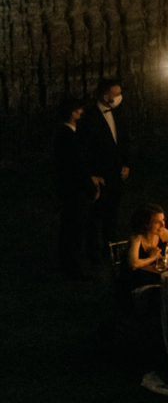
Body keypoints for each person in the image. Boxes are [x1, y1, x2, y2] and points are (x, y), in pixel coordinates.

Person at [80, 78, 131, 250]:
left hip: (116, 175)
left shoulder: (119, 113)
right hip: (100, 176)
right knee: (95, 216)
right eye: (115, 94)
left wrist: (126, 164)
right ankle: (93, 252)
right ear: (105, 96)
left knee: (113, 214)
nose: (119, 97)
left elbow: (124, 141)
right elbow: (85, 149)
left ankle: (111, 248)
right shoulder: (89, 117)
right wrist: (91, 174)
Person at [55, 97, 96, 277]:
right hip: (75, 191)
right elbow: (77, 166)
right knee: (75, 228)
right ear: (73, 114)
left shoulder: (65, 135)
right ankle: (73, 266)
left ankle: (70, 263)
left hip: (70, 189)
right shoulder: (69, 137)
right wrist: (90, 185)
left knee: (71, 227)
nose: (81, 114)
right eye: (79, 111)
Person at [123, 204, 168, 298]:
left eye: (163, 220)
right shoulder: (137, 237)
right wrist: (153, 257)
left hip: (156, 282)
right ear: (146, 224)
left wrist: (167, 258)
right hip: (136, 286)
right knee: (166, 294)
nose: (163, 224)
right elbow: (133, 264)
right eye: (157, 222)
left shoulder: (162, 232)